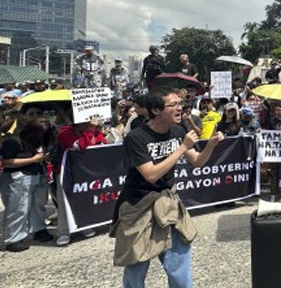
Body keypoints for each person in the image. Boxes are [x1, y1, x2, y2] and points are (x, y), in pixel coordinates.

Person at [110, 88, 224, 287]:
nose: (180, 108)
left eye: (180, 103)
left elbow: (197, 161)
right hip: (139, 206)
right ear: (155, 110)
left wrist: (210, 146)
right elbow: (151, 175)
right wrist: (182, 148)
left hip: (168, 203)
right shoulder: (136, 138)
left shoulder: (178, 131)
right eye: (173, 105)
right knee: (136, 267)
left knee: (179, 266)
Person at [0, 118, 54, 252]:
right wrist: (32, 159)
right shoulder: (13, 142)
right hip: (18, 178)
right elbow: (6, 162)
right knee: (18, 209)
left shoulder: (41, 143)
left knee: (39, 205)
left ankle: (39, 229)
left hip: (37, 175)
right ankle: (13, 239)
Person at [55, 116, 108, 245]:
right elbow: (80, 146)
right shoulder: (64, 133)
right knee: (65, 202)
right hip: (68, 172)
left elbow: (102, 144)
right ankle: (64, 232)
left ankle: (85, 225)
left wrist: (96, 132)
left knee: (85, 199)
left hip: (85, 171)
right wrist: (90, 130)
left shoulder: (95, 131)